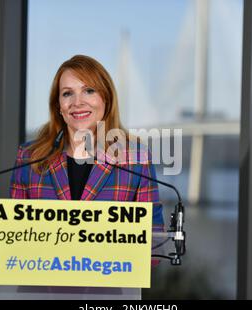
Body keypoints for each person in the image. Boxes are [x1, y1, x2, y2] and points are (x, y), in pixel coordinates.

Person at [9, 54, 164, 234]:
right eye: (67, 93)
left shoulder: (137, 159)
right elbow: (13, 235)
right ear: (58, 105)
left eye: (89, 90)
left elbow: (154, 241)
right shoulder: (29, 157)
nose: (77, 102)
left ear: (106, 98)